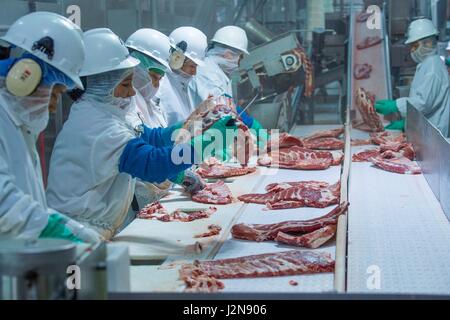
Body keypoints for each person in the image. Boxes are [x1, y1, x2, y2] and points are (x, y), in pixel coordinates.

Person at [46, 28, 236, 240]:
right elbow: (150, 164)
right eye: (126, 84)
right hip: (78, 233)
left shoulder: (105, 111)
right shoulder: (97, 127)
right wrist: (208, 143)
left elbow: (149, 137)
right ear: (102, 85)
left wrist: (192, 127)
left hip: (96, 225)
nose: (132, 92)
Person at [0, 12, 101, 243]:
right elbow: (5, 207)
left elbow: (27, 202)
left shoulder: (17, 123)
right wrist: (64, 233)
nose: (54, 106)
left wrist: (69, 226)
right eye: (54, 93)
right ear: (25, 76)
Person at [188, 26, 266, 150]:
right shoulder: (208, 74)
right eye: (240, 57)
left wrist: (249, 123)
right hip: (197, 140)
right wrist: (250, 126)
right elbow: (218, 111)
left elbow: (228, 105)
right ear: (229, 55)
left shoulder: (218, 72)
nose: (240, 63)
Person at [375, 18, 450, 136]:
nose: (412, 51)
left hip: (434, 134)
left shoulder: (432, 68)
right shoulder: (427, 64)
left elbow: (423, 103)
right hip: (427, 129)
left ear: (427, 43)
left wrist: (395, 106)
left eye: (414, 46)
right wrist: (406, 123)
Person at [155, 26, 207, 126]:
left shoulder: (179, 84)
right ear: (176, 58)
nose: (194, 72)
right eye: (192, 66)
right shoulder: (160, 86)